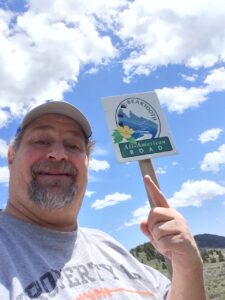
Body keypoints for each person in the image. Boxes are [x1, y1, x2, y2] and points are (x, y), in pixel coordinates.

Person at [0, 101, 207, 300]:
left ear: (87, 163)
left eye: (73, 145)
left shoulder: (108, 245)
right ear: (11, 155)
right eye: (41, 141)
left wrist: (188, 267)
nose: (58, 154)